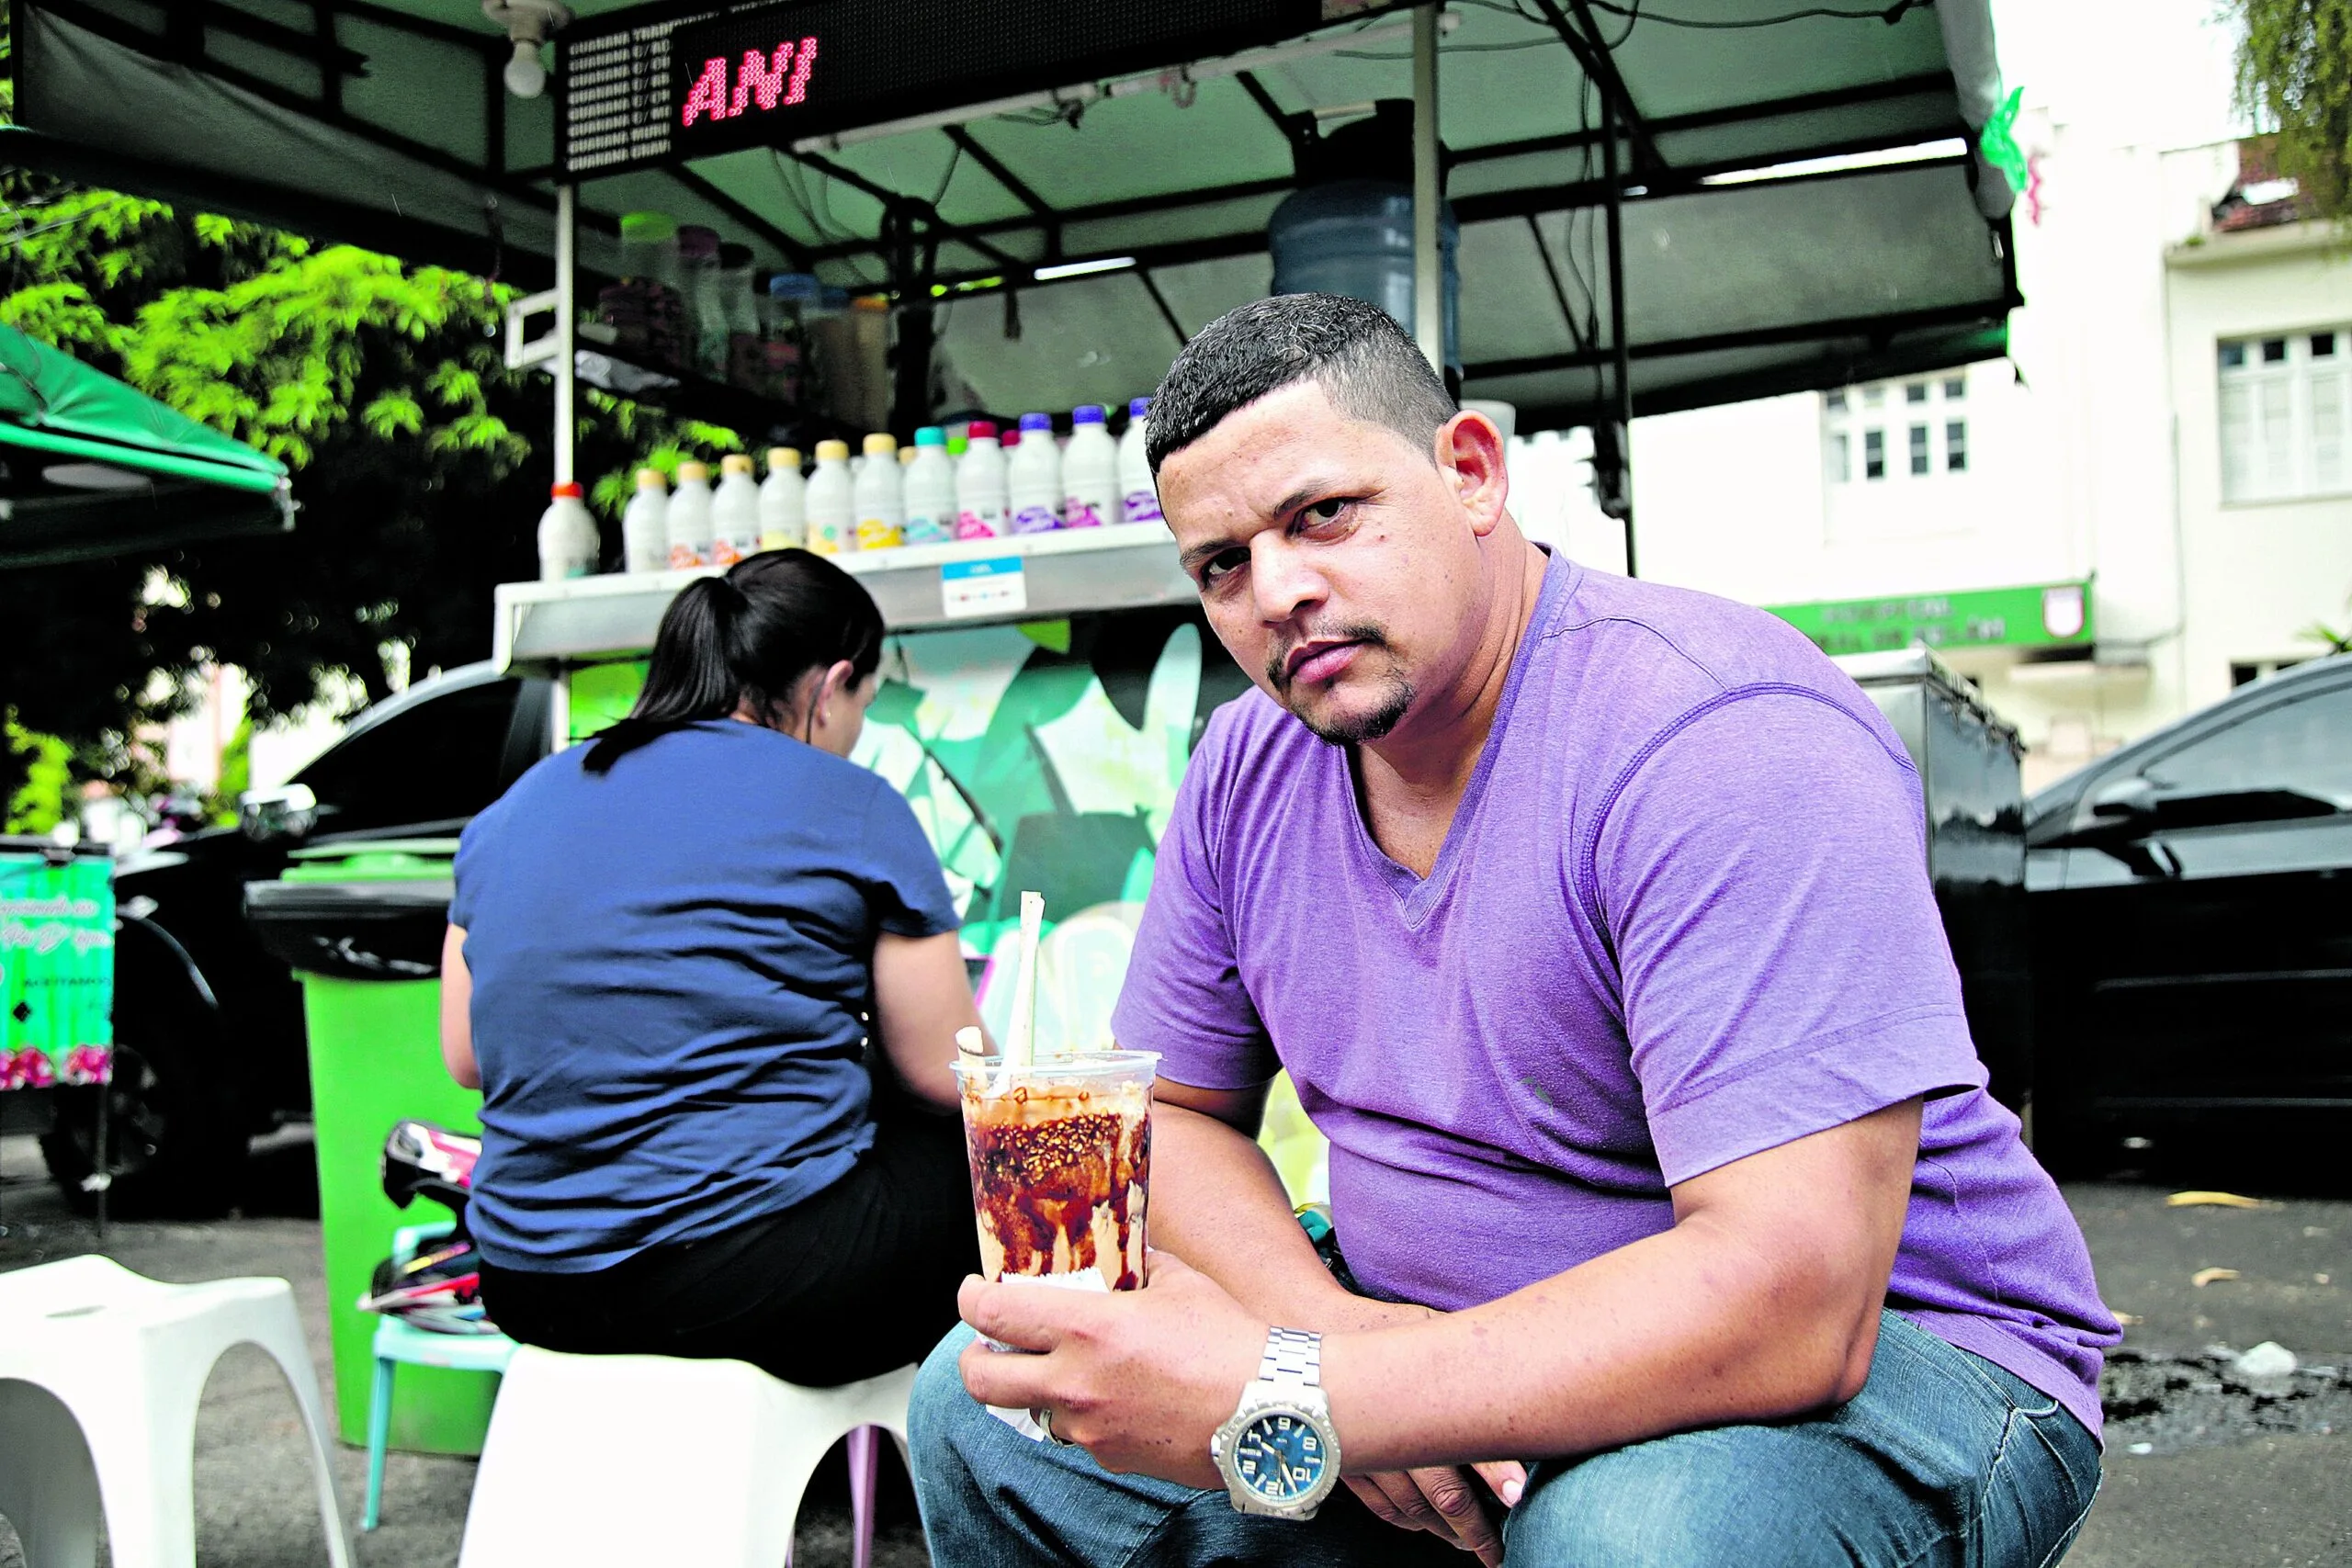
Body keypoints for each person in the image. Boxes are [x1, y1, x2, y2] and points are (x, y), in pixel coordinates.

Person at [909, 296, 2119, 1567]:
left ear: (1471, 473)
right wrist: (1325, 1341)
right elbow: (1181, 1112)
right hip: (1415, 1323)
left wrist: (1308, 1394)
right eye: (1220, 563)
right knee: (995, 1404)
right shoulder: (1245, 768)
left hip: (1898, 1353)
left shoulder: (1720, 733)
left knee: (1640, 1539)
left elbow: (1794, 1303)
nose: (1277, 591)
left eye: (1323, 514)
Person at [438, 547, 982, 1386]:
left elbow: (468, 1056)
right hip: (763, 1284)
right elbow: (946, 1073)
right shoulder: (852, 802)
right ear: (831, 685)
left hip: (526, 1283)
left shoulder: (512, 810)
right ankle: (1030, 1476)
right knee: (998, 1155)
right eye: (862, 704)